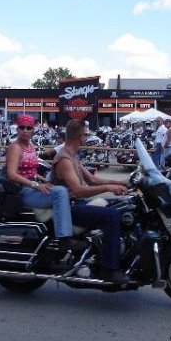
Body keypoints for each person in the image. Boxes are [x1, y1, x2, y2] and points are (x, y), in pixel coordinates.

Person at [50, 119, 131, 285]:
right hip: (70, 207)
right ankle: (109, 268)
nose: (87, 137)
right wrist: (109, 187)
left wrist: (121, 183)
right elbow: (78, 190)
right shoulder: (64, 159)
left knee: (121, 207)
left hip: (78, 203)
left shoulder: (73, 156)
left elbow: (92, 179)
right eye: (86, 134)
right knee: (111, 216)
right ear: (80, 137)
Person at [5, 114, 80, 253]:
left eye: (29, 128)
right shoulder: (15, 147)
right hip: (23, 191)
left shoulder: (31, 146)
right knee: (60, 192)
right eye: (22, 127)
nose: (25, 130)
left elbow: (30, 171)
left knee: (66, 189)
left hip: (33, 186)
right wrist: (36, 185)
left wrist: (43, 180)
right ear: (17, 129)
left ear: (33, 129)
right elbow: (12, 174)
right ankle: (64, 239)